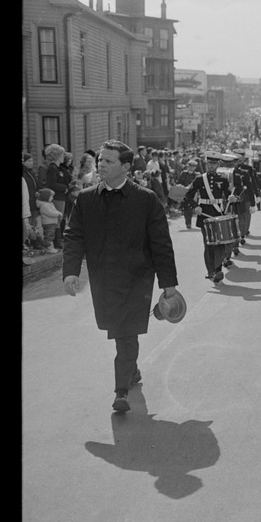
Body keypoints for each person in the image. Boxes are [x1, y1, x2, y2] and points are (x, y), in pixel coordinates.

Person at [62, 140, 179, 413]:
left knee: (126, 334)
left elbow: (161, 243)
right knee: (118, 332)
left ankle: (121, 392)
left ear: (126, 167)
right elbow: (73, 236)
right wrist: (70, 272)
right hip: (103, 282)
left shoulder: (146, 199)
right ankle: (132, 369)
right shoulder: (86, 198)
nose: (100, 164)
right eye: (100, 159)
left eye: (108, 161)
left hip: (137, 282)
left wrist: (168, 283)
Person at [181, 151, 240, 284]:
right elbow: (187, 196)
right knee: (208, 244)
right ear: (206, 163)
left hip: (219, 215)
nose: (211, 165)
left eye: (214, 163)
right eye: (209, 163)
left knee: (219, 245)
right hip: (204, 215)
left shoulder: (222, 179)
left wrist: (233, 197)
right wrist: (195, 206)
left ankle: (218, 270)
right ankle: (211, 271)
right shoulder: (199, 179)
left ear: (218, 164)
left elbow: (230, 195)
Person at [35, 188, 63, 253]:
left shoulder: (50, 204)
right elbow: (50, 213)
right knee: (49, 236)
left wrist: (58, 213)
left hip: (52, 223)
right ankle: (49, 248)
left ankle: (50, 247)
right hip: (48, 223)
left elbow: (54, 210)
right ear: (46, 197)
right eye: (51, 197)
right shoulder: (44, 205)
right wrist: (58, 213)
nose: (52, 198)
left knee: (51, 235)